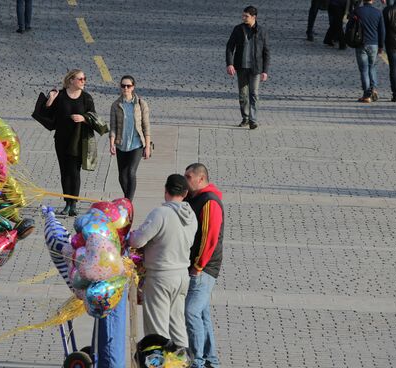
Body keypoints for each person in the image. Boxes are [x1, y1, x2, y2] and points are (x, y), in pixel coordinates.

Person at [129, 174, 198, 348]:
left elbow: (138, 241)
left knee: (156, 331)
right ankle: (183, 361)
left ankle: (159, 362)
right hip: (182, 275)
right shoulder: (192, 216)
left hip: (161, 276)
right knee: (177, 326)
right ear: (185, 193)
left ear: (165, 190)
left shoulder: (161, 213)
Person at [183, 163, 224, 368]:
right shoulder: (193, 197)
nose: (185, 180)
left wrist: (198, 266)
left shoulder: (209, 202)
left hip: (205, 268)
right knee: (202, 313)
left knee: (190, 312)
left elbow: (210, 237)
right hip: (198, 265)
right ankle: (211, 360)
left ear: (201, 179)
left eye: (189, 177)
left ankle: (197, 361)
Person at [45, 69, 96, 217]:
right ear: (71, 80)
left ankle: (73, 204)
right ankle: (67, 203)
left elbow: (94, 116)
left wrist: (83, 118)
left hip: (79, 139)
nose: (83, 81)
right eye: (80, 79)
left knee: (74, 171)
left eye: (84, 78)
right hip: (61, 139)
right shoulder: (60, 96)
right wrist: (50, 99)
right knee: (64, 171)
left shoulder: (86, 98)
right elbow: (47, 114)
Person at [226, 6, 270, 130]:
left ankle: (253, 120)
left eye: (246, 16)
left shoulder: (262, 31)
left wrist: (265, 71)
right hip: (241, 67)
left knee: (254, 94)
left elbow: (266, 52)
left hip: (256, 68)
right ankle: (245, 118)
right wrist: (230, 64)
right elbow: (230, 47)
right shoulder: (238, 29)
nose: (243, 18)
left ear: (254, 17)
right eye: (243, 16)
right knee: (243, 94)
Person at [109, 75, 151, 201]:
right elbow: (113, 126)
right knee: (122, 176)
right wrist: (112, 143)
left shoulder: (140, 104)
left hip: (136, 144)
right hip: (121, 144)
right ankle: (127, 199)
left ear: (133, 87)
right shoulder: (116, 105)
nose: (125, 88)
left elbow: (146, 126)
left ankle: (128, 202)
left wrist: (147, 146)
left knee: (131, 172)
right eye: (123, 86)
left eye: (128, 86)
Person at [349, 0, 385, 103]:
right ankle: (374, 88)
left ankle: (366, 94)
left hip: (361, 43)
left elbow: (349, 26)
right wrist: (381, 46)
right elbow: (382, 31)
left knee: (364, 69)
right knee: (372, 66)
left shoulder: (357, 11)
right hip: (373, 44)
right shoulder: (378, 12)